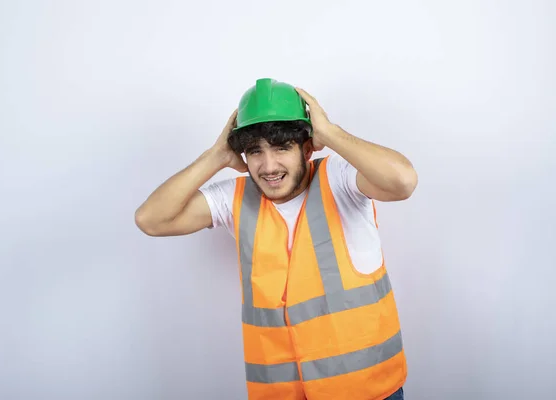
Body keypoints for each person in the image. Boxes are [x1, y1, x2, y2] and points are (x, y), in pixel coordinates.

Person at [135, 78, 418, 400]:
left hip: (366, 391)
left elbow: (403, 181)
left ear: (308, 148)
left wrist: (331, 133)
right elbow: (152, 220)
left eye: (282, 147)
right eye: (255, 151)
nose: (268, 166)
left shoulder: (339, 181)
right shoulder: (235, 198)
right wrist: (215, 156)